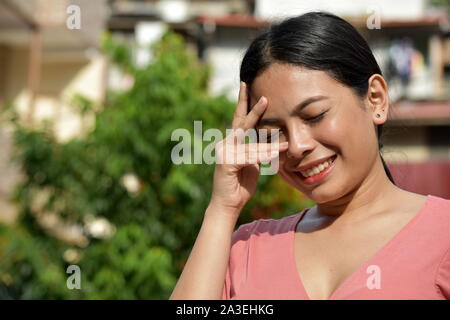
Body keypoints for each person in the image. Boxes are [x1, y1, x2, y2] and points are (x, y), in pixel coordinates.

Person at [169, 12, 450, 300]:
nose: (296, 146)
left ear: (375, 98)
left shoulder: (443, 235)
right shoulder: (247, 249)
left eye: (315, 115)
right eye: (272, 132)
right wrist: (221, 209)